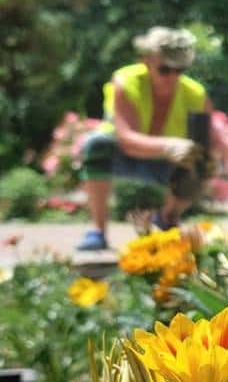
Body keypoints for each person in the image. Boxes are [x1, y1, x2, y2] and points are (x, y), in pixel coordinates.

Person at [75, 27, 212, 251]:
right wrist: (168, 146)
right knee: (95, 145)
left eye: (180, 70)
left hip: (167, 163)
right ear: (146, 61)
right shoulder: (126, 81)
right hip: (123, 155)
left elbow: (204, 145)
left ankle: (166, 218)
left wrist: (204, 157)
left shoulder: (196, 93)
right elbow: (126, 138)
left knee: (203, 164)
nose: (173, 77)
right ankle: (98, 232)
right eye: (165, 69)